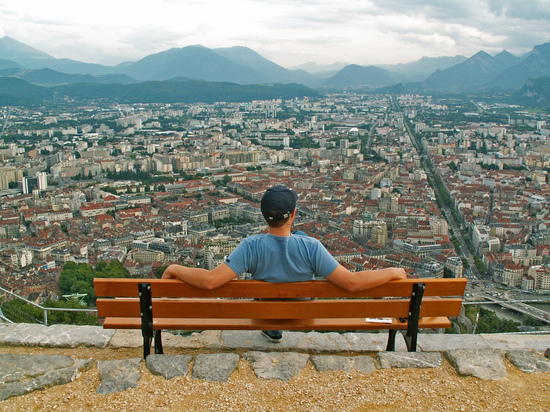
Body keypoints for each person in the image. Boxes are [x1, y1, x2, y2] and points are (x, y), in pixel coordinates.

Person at [162, 185, 406, 342]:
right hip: (301, 315)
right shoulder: (311, 247)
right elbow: (352, 283)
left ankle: (272, 327)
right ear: (293, 214)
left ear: (263, 215)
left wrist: (174, 268)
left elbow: (210, 281)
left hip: (265, 313)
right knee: (299, 239)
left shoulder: (250, 246)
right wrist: (394, 270)